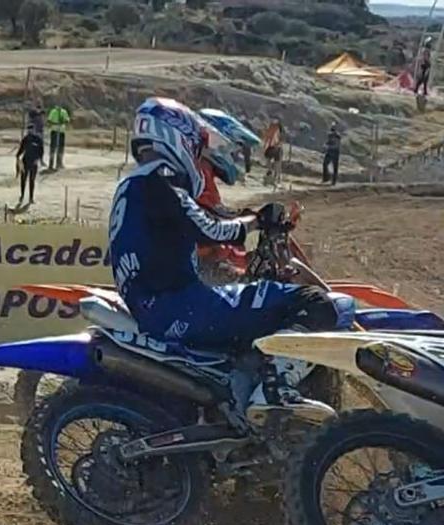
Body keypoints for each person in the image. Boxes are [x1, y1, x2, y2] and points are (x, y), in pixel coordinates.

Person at [109, 97, 343, 418]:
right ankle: (274, 388)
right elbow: (210, 229)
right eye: (194, 144)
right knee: (314, 302)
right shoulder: (160, 179)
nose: (196, 152)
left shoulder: (133, 184)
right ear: (176, 136)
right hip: (181, 304)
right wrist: (257, 221)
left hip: (159, 304)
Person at [15, 127, 45, 206]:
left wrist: (39, 159)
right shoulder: (26, 139)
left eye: (31, 129)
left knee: (32, 180)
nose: (30, 131)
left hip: (34, 162)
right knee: (23, 180)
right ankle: (22, 196)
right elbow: (21, 150)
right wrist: (18, 157)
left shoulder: (38, 139)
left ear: (34, 130)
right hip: (25, 162)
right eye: (29, 130)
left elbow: (41, 151)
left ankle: (31, 198)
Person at [47, 103, 70, 171]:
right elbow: (49, 120)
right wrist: (56, 123)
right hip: (54, 131)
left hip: (61, 131)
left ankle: (59, 163)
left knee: (60, 148)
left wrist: (63, 122)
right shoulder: (53, 111)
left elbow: (67, 120)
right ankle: (51, 164)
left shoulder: (64, 112)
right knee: (53, 147)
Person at [261, 118, 284, 186]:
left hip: (275, 147)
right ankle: (273, 175)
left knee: (276, 164)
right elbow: (267, 137)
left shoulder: (276, 130)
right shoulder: (273, 129)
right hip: (273, 147)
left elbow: (268, 137)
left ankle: (276, 177)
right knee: (273, 162)